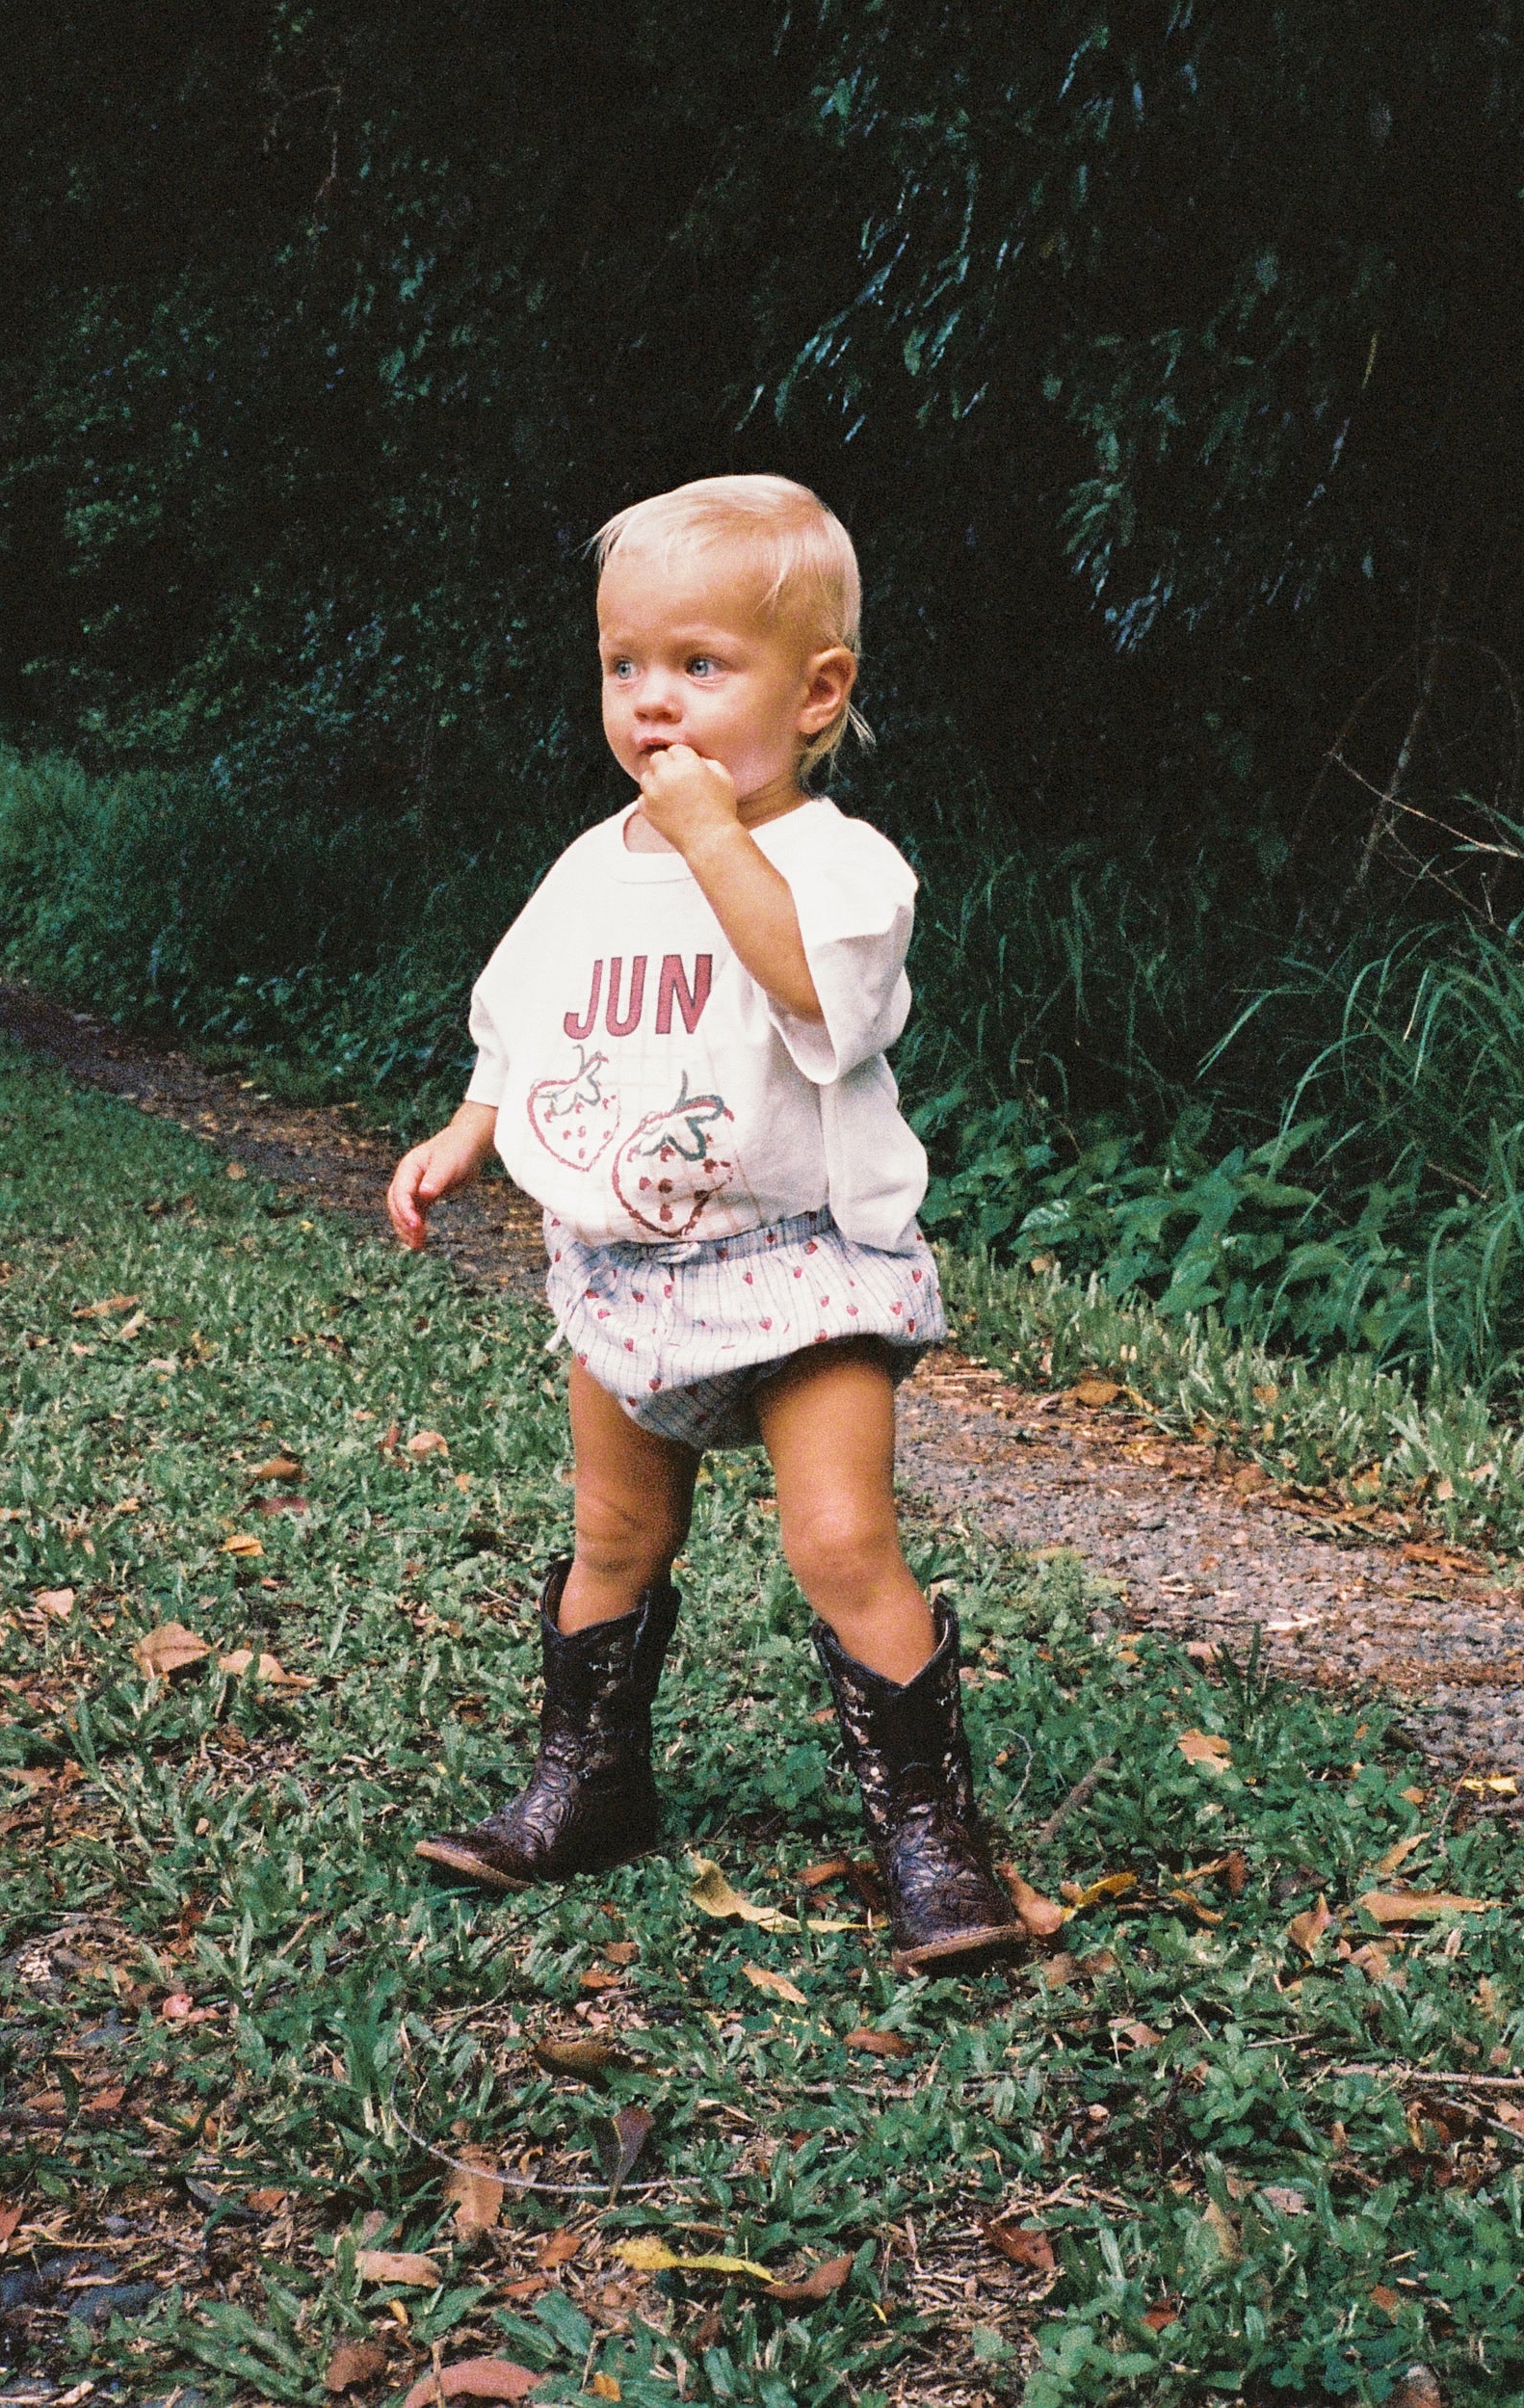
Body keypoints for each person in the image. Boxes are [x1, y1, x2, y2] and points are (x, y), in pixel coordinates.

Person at [385, 472, 1025, 1972]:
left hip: (805, 1265)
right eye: (624, 668)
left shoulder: (836, 864)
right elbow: (524, 1020)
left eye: (699, 667)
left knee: (841, 1535)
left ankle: (930, 1828)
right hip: (627, 1265)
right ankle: (589, 1781)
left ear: (817, 696)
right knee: (614, 1529)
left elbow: (820, 990)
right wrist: (471, 1131)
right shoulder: (587, 871)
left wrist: (710, 831)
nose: (651, 704)